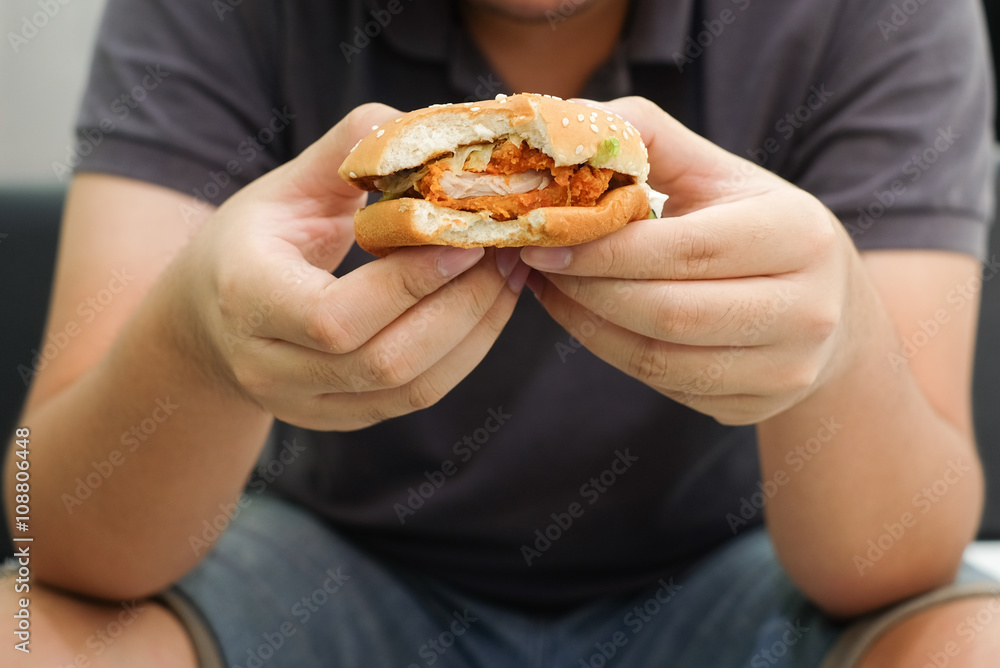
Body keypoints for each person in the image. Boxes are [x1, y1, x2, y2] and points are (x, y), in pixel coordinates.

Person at [4, 0, 1000, 665]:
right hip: (325, 568)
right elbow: (54, 527)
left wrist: (840, 352)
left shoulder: (881, 16)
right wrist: (194, 341)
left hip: (737, 576)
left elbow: (893, 561)